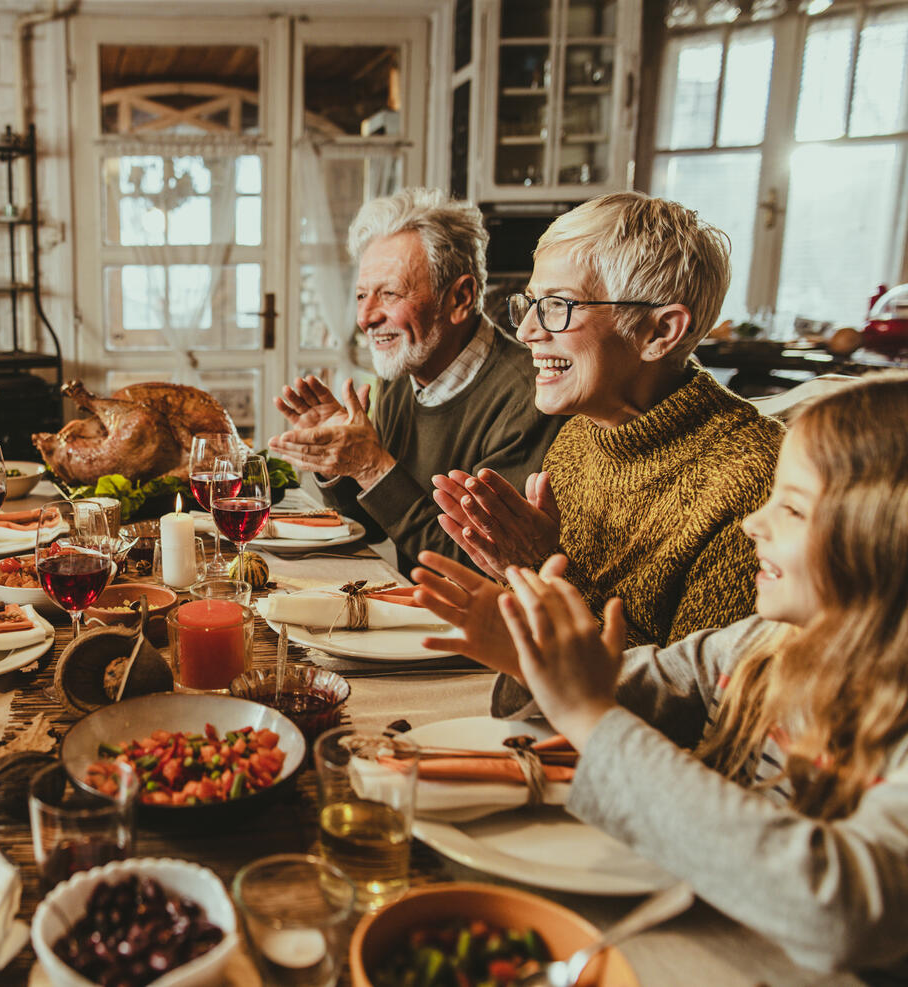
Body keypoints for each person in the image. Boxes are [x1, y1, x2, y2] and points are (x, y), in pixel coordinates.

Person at [446, 374, 908, 980]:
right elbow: (636, 683)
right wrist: (533, 657)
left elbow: (837, 911)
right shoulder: (764, 644)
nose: (753, 525)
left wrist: (589, 714)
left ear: (884, 541)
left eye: (792, 508)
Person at [431, 192, 782, 646]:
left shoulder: (754, 483)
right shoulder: (581, 435)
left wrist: (538, 568)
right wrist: (516, 574)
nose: (526, 332)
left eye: (558, 306)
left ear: (660, 332)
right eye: (531, 303)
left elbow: (688, 698)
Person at [267, 188, 562, 570]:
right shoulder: (402, 373)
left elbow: (478, 569)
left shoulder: (529, 398)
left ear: (460, 298)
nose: (365, 317)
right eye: (360, 296)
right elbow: (372, 528)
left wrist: (372, 466)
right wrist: (340, 464)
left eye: (389, 293)